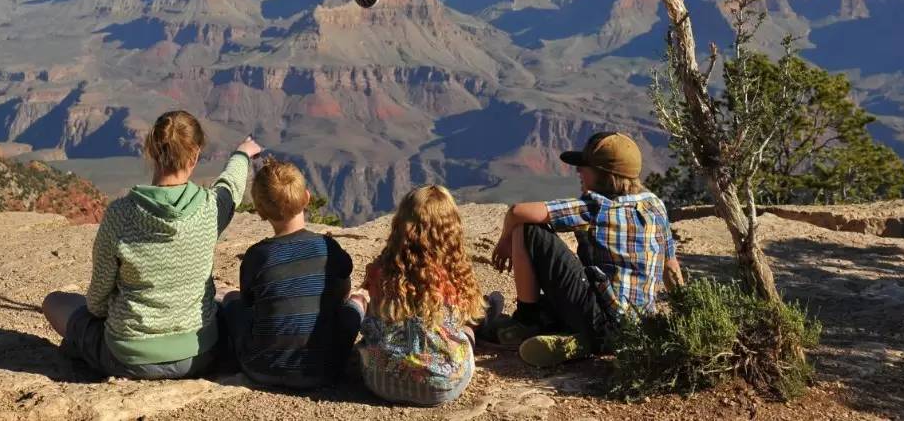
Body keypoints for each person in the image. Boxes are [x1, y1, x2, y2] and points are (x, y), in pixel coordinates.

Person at [42, 111, 261, 379]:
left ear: (151, 151)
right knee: (226, 299)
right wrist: (242, 154)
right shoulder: (211, 208)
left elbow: (97, 301)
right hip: (200, 354)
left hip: (128, 357)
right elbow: (231, 187)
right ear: (195, 157)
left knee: (54, 302)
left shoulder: (120, 214)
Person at [480, 131, 684, 367]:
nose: (578, 171)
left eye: (584, 167)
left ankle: (527, 321)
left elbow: (518, 212)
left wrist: (505, 240)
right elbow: (671, 266)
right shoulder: (655, 205)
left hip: (599, 317)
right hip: (636, 327)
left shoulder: (598, 207)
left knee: (527, 229)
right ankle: (583, 341)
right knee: (560, 297)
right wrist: (686, 313)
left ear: (603, 176)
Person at [219, 158, 364, 389]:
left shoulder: (257, 256)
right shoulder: (329, 247)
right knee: (357, 302)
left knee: (230, 299)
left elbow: (249, 303)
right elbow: (344, 288)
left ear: (260, 211)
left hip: (261, 368)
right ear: (307, 197)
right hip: (327, 370)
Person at [357, 185, 486, 406]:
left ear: (400, 225)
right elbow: (469, 314)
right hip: (442, 386)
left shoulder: (380, 271)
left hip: (381, 382)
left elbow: (374, 315)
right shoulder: (455, 274)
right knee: (466, 330)